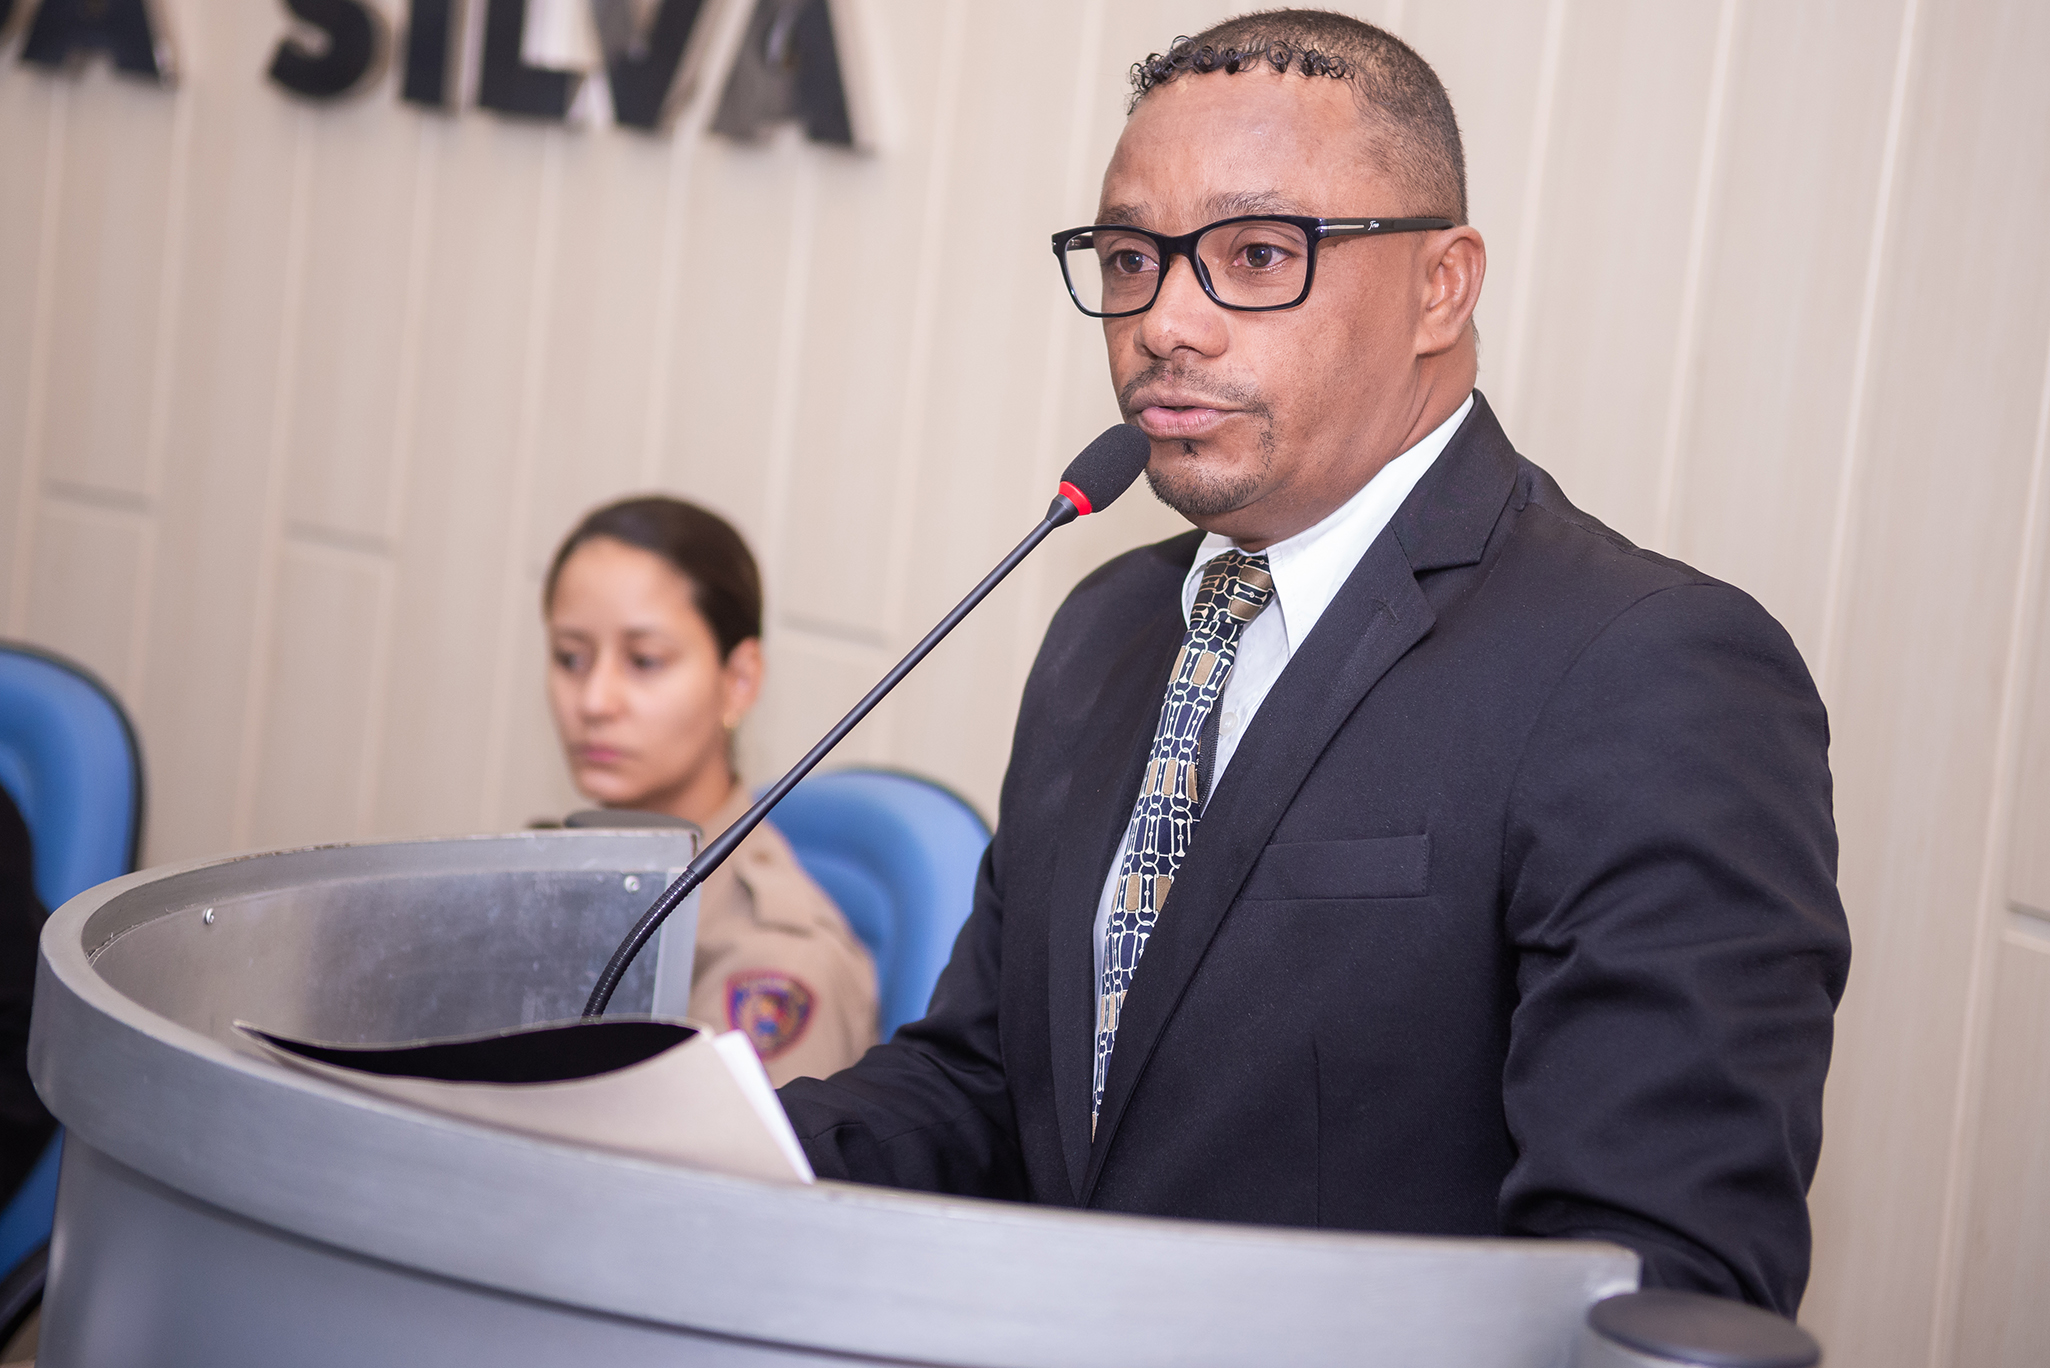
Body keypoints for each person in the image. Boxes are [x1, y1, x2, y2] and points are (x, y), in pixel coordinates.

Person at [779, 10, 1850, 1316]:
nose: (1165, 321)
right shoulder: (1106, 624)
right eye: (1130, 259)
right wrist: (704, 1142)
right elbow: (993, 1086)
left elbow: (1653, 1278)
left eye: (1255, 254)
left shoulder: (1647, 671)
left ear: (1441, 287)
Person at [544, 496, 877, 1086]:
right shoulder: (551, 879)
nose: (594, 701)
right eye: (571, 658)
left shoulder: (775, 959)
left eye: (645, 661)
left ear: (739, 680)